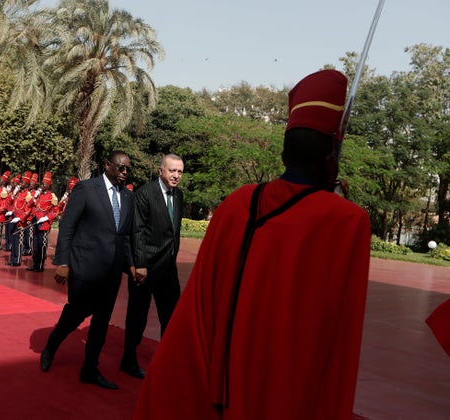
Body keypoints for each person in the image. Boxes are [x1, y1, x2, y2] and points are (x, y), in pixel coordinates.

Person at [134, 69, 371, 419]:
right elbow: (337, 347)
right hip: (282, 394)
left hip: (214, 385)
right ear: (330, 156)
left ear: (285, 153)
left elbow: (198, 311)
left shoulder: (238, 203)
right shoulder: (347, 222)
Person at [39, 150, 136, 390]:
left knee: (101, 324)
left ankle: (90, 369)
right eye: (120, 168)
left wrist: (131, 265)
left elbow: (124, 237)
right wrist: (63, 263)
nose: (124, 173)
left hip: (111, 273)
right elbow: (68, 227)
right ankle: (52, 343)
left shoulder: (128, 197)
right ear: (107, 165)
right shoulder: (86, 189)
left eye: (127, 169)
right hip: (84, 268)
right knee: (75, 315)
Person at [121, 153, 184, 379]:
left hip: (168, 269)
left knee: (171, 316)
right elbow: (137, 230)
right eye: (172, 171)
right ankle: (128, 360)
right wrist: (140, 264)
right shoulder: (145, 194)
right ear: (161, 171)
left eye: (179, 172)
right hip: (145, 269)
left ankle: (167, 359)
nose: (176, 175)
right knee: (137, 317)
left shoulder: (179, 196)